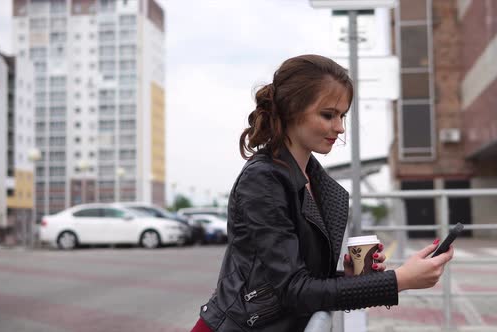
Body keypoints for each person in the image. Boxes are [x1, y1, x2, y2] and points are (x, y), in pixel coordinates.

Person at [191, 54, 454, 331]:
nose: (340, 127)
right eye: (328, 115)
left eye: (342, 115)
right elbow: (294, 290)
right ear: (292, 110)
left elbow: (304, 281)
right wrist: (400, 280)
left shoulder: (313, 180)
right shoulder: (263, 180)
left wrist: (355, 278)